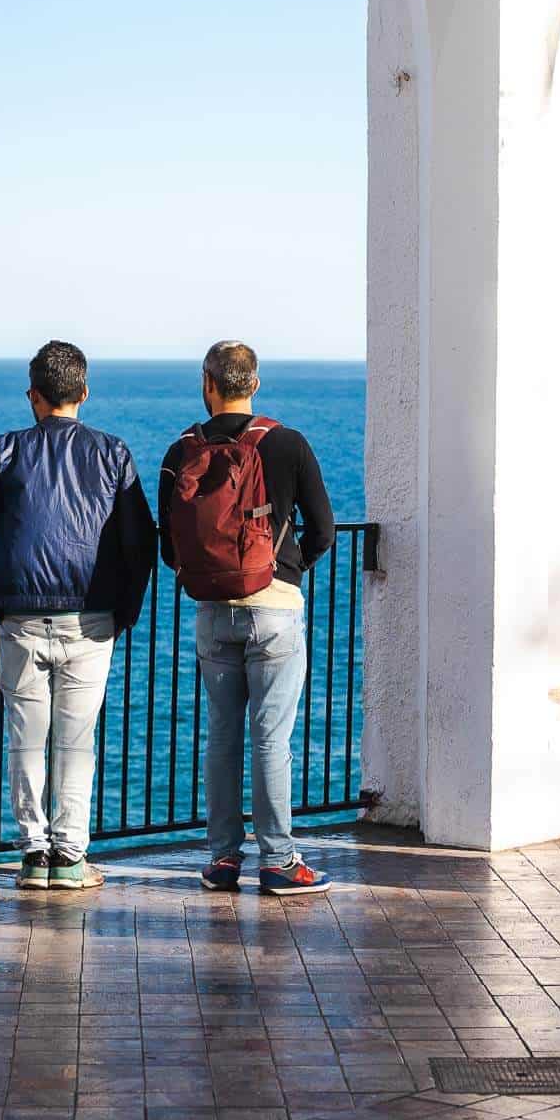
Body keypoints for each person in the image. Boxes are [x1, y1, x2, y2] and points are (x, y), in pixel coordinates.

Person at [0, 340, 155, 891]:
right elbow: (141, 540)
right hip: (90, 621)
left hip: (20, 619)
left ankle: (33, 854)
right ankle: (70, 858)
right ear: (83, 393)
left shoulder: (3, 449)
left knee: (25, 736)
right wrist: (124, 610)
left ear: (33, 397)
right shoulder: (113, 453)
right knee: (75, 740)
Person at [159, 340, 335, 896]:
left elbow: (169, 548)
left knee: (221, 737)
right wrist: (288, 569)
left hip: (212, 612)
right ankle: (279, 861)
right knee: (270, 741)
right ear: (254, 384)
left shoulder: (180, 450)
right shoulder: (287, 443)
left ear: (207, 384)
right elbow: (324, 530)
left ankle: (222, 860)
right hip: (276, 610)